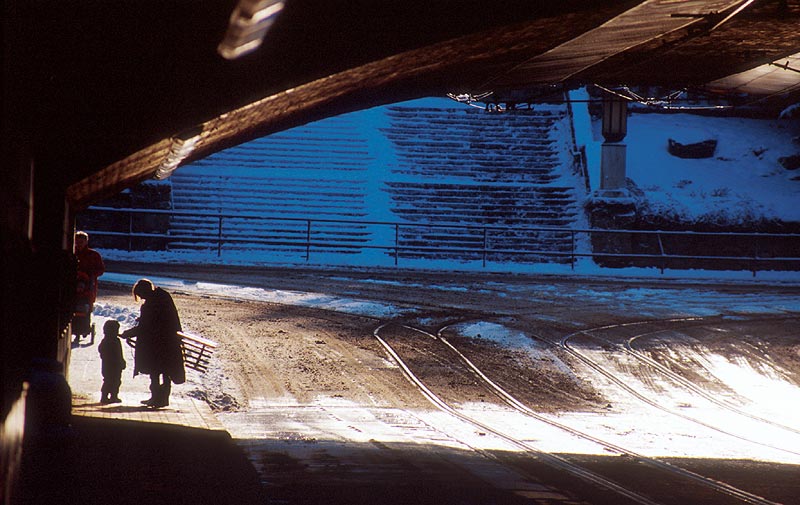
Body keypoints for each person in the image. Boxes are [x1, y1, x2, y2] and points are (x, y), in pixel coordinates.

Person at [121, 279, 185, 408]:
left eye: (141, 295)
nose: (141, 298)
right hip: (168, 342)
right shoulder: (163, 297)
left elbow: (146, 326)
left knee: (155, 372)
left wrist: (127, 333)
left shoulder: (151, 304)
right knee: (165, 372)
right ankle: (161, 398)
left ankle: (157, 398)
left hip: (157, 344)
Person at [98, 319, 126, 404]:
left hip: (108, 366)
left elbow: (101, 350)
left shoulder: (106, 340)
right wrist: (121, 361)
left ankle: (109, 396)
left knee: (109, 381)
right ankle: (110, 396)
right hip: (114, 366)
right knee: (113, 381)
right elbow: (119, 354)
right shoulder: (114, 341)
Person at [74, 231, 105, 305]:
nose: (79, 244)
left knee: (86, 307)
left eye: (81, 242)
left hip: (88, 287)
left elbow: (101, 270)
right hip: (73, 286)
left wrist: (90, 275)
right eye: (77, 242)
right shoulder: (72, 253)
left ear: (86, 242)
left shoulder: (94, 255)